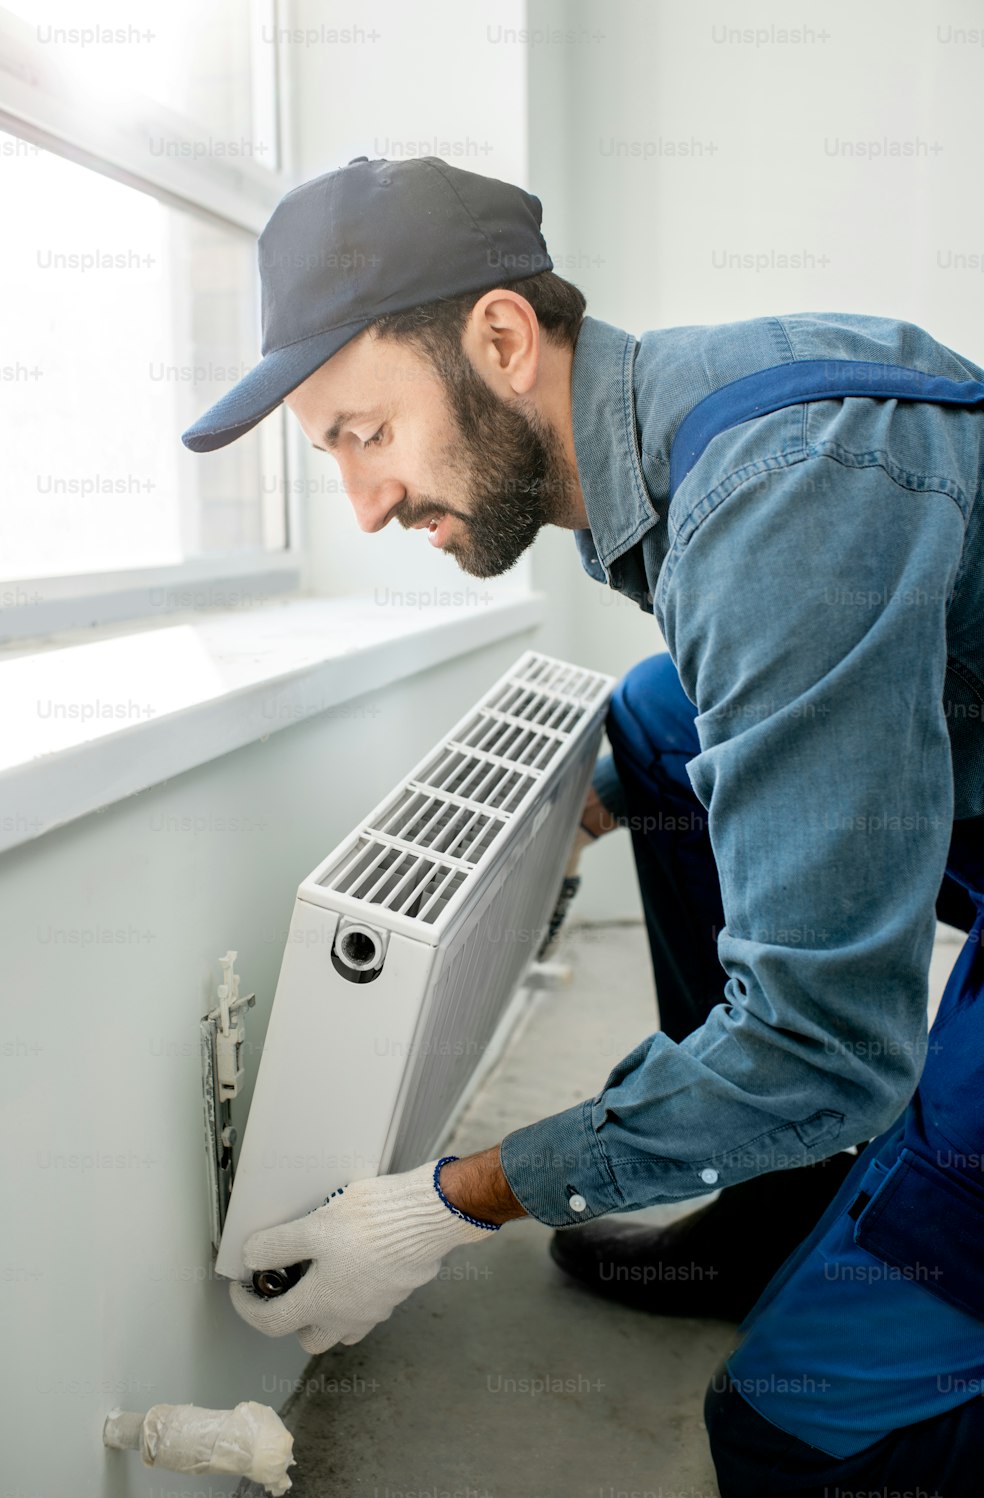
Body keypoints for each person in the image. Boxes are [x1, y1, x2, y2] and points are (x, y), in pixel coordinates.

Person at [182, 155, 984, 1495]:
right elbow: (728, 710)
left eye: (364, 436)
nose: (367, 505)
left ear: (500, 339)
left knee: (800, 1426)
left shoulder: (777, 500)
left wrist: (448, 1202)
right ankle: (780, 1200)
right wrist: (568, 824)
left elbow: (830, 1043)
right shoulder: (693, 432)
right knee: (658, 724)